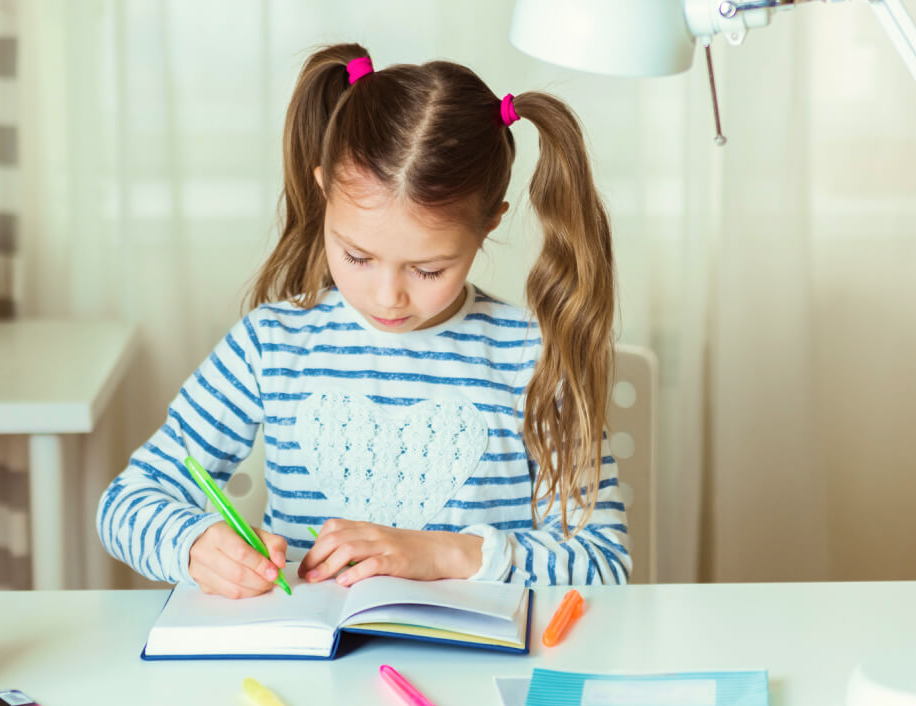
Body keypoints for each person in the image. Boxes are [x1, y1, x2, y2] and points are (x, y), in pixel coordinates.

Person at [98, 43, 629, 597]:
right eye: (356, 257)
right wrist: (193, 543)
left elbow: (603, 562)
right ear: (324, 188)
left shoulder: (531, 357)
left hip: (476, 671)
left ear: (491, 223)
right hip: (312, 666)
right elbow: (125, 503)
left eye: (427, 269)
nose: (386, 296)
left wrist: (445, 554)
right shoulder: (270, 345)